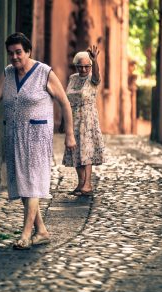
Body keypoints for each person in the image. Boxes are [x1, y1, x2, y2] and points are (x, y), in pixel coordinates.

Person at [0, 32, 76, 250]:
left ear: (28, 51)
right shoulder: (8, 73)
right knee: (24, 184)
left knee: (32, 183)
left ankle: (25, 234)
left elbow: (65, 103)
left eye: (18, 52)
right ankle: (41, 231)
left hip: (37, 136)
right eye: (11, 53)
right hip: (14, 135)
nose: (14, 57)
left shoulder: (44, 73)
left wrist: (69, 134)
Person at [62, 46, 106, 196]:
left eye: (87, 66)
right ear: (76, 66)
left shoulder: (93, 79)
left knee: (86, 151)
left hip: (88, 120)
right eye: (80, 67)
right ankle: (81, 182)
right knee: (75, 151)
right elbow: (66, 99)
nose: (84, 69)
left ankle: (88, 184)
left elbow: (97, 75)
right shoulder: (72, 78)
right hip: (73, 119)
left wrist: (95, 61)